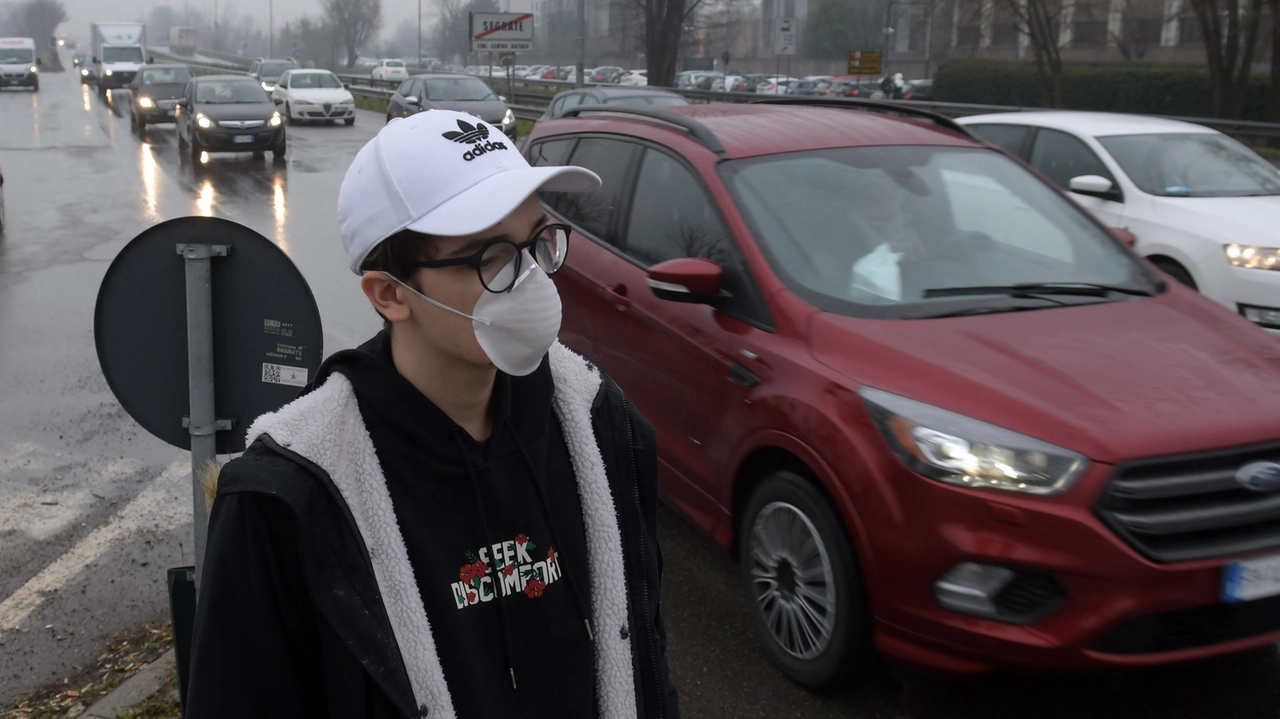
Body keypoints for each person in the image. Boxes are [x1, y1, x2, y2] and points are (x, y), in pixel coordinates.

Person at [184, 110, 680, 719]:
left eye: (537, 243)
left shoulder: (602, 428)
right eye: (490, 256)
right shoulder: (289, 499)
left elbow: (644, 662)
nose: (530, 280)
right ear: (389, 293)